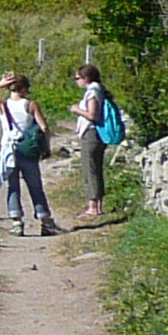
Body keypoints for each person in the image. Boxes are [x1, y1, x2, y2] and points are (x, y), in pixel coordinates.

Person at [0, 71, 60, 235]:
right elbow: (44, 128)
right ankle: (45, 221)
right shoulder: (30, 105)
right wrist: (46, 147)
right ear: (25, 88)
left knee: (13, 187)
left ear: (10, 88)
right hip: (27, 149)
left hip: (9, 151)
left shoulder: (2, 105)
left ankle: (17, 223)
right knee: (35, 186)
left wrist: (1, 83)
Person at [70, 63, 114, 224]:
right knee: (95, 168)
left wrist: (76, 110)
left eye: (78, 78)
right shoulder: (98, 89)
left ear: (86, 78)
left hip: (91, 133)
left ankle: (93, 207)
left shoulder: (93, 92)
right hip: (96, 134)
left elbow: (92, 115)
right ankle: (96, 204)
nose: (76, 82)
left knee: (91, 169)